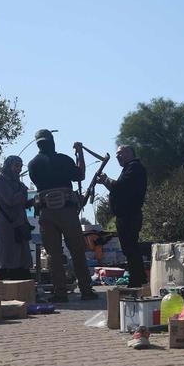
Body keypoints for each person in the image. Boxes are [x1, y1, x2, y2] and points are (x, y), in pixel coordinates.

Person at [27, 129, 98, 303]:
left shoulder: (33, 164)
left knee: (53, 254)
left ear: (38, 144)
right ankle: (86, 290)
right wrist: (80, 153)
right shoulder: (64, 159)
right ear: (52, 141)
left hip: (46, 212)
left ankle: (60, 293)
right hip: (67, 210)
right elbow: (80, 174)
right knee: (77, 251)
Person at [95, 145, 148, 289]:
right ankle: (139, 278)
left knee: (130, 248)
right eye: (117, 154)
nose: (118, 156)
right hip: (125, 215)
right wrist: (106, 182)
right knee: (129, 248)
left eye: (121, 153)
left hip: (130, 215)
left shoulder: (134, 168)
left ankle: (136, 280)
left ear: (130, 153)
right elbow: (119, 190)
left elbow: (120, 187)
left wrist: (106, 179)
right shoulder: (129, 169)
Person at [0, 156, 34, 281]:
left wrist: (33, 201)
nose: (19, 169)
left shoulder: (18, 183)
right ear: (9, 166)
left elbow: (22, 203)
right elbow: (10, 200)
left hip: (20, 222)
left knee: (21, 252)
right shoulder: (1, 182)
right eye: (16, 166)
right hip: (7, 223)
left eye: (20, 166)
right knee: (6, 251)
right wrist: (22, 192)